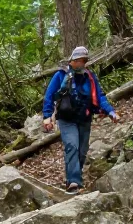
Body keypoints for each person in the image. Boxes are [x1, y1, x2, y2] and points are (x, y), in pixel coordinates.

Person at [42, 46, 119, 192]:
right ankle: (74, 182)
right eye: (80, 60)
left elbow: (100, 96)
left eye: (85, 60)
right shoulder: (60, 75)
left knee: (82, 151)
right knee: (72, 146)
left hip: (85, 117)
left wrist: (110, 111)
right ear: (73, 60)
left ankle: (74, 176)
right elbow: (49, 95)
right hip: (66, 119)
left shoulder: (89, 76)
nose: (83, 63)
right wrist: (47, 116)